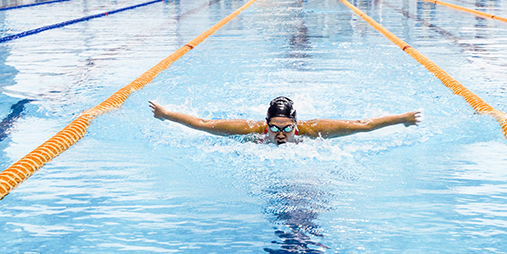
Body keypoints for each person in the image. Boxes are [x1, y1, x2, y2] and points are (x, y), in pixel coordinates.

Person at [149, 96, 420, 145]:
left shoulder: (314, 131)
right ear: (265, 125)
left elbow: (364, 125)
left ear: (296, 126)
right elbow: (203, 124)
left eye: (287, 128)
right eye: (275, 128)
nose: (280, 134)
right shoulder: (249, 131)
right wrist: (166, 115)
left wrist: (401, 119)